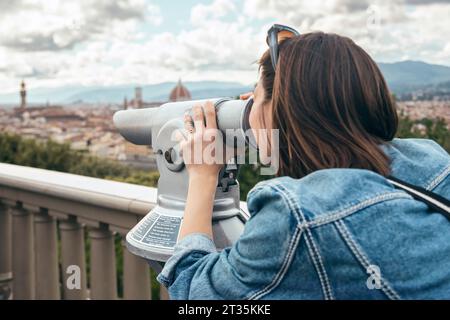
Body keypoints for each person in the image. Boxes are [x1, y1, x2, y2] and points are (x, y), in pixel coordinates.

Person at [156, 25, 450, 299]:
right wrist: (262, 101)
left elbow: (192, 291)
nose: (248, 103)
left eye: (255, 96)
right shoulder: (430, 160)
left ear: (282, 112)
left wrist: (202, 176)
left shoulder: (297, 217)